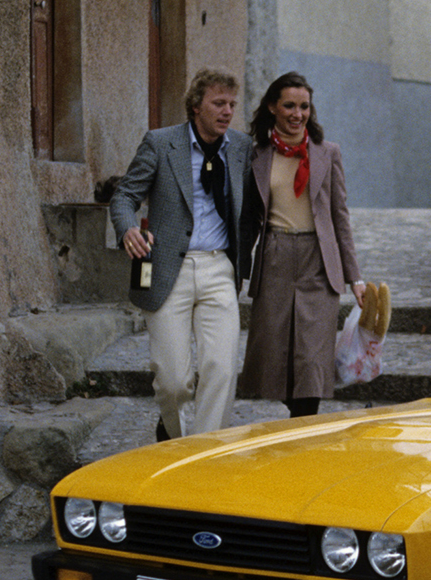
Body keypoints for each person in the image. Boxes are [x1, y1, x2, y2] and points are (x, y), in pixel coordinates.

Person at [110, 69, 249, 440]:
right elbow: (125, 196)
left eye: (232, 104)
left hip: (220, 266)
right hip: (168, 267)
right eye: (218, 103)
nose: (227, 111)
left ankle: (202, 459)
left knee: (220, 368)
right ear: (195, 106)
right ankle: (174, 433)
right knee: (172, 381)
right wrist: (127, 229)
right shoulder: (160, 143)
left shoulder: (240, 147)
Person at [237, 72, 365, 418]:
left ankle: (304, 425)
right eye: (290, 105)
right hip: (275, 256)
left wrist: (356, 278)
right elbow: (248, 220)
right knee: (277, 354)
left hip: (318, 262)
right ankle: (296, 422)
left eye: (304, 106)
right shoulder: (257, 156)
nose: (298, 113)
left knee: (311, 357)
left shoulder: (327, 153)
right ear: (272, 107)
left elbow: (340, 217)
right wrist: (236, 270)